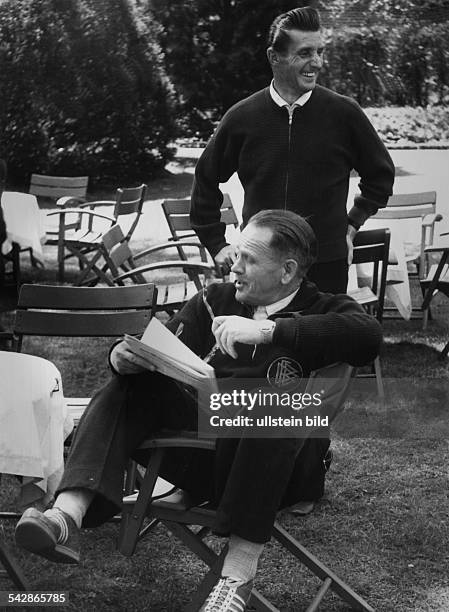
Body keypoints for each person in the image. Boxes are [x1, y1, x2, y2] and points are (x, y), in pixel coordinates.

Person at [15, 210, 382, 612]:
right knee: (133, 382)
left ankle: (238, 576)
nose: (234, 267)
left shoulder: (326, 307)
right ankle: (65, 517)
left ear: (287, 270)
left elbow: (368, 336)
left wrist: (270, 330)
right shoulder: (215, 299)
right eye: (236, 254)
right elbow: (156, 345)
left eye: (249, 260)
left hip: (281, 471)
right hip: (203, 459)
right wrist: (123, 357)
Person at [190, 6, 395, 294]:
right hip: (261, 267)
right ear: (274, 57)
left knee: (323, 338)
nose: (317, 62)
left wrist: (350, 226)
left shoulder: (344, 113)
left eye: (319, 52)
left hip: (326, 264)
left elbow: (381, 176)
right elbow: (206, 178)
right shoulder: (241, 118)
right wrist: (216, 244)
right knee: (260, 338)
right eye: (305, 53)